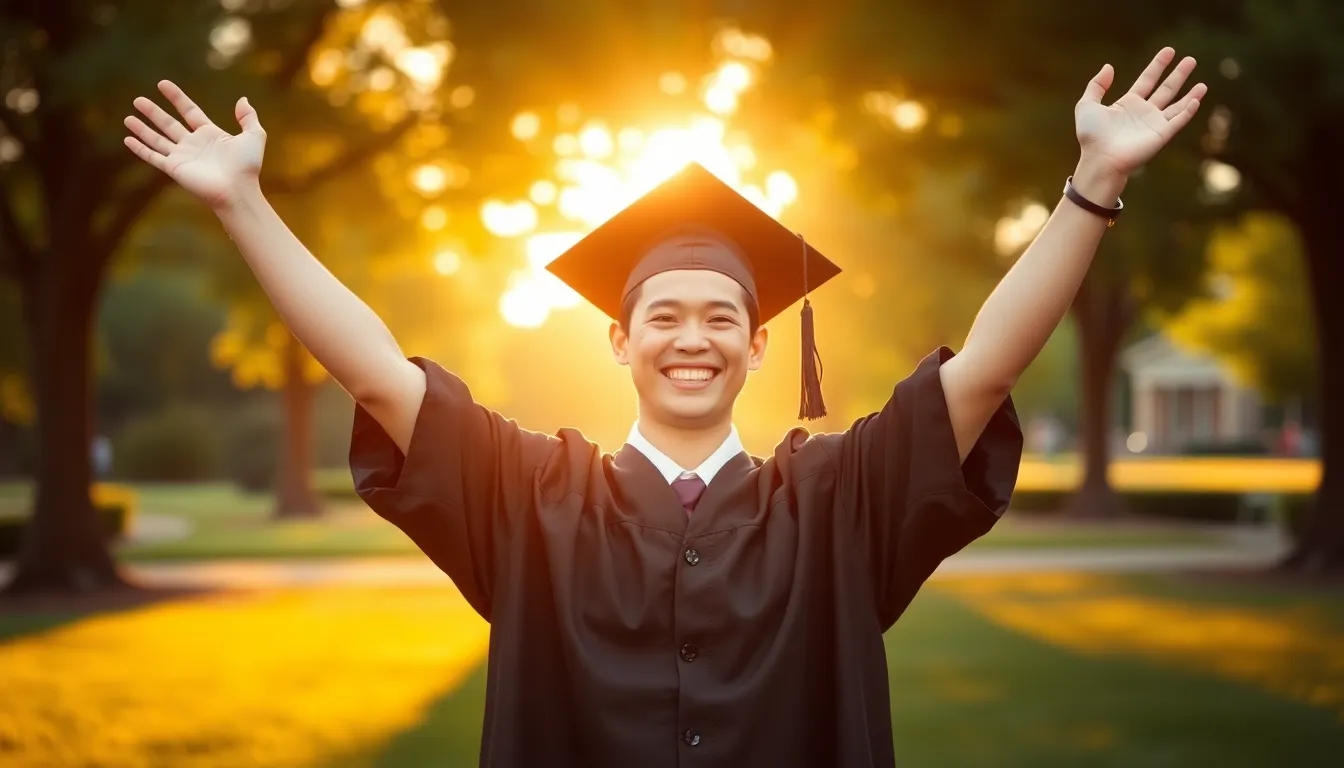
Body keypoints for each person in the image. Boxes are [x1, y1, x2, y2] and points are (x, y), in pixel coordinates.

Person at [123, 46, 1205, 768]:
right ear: (619, 339)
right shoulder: (531, 498)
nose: (693, 337)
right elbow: (373, 375)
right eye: (667, 315)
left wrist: (1091, 185)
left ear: (759, 343)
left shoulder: (835, 503)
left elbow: (983, 372)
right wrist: (244, 204)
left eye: (721, 316)